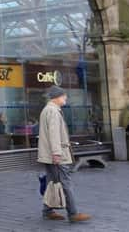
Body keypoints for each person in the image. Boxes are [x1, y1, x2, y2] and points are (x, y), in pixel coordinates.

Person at [38, 86, 91, 223]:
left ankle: (48, 211)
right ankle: (73, 214)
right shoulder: (53, 112)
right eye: (63, 96)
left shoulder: (47, 110)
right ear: (56, 97)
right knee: (65, 182)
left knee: (53, 182)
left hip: (48, 155)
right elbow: (54, 134)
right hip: (57, 155)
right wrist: (57, 153)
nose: (65, 98)